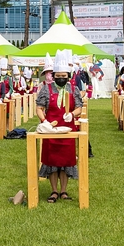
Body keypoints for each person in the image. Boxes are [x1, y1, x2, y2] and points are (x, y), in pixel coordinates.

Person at [36, 50, 83, 203]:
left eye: (64, 77)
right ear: (53, 75)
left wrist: (73, 114)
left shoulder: (73, 89)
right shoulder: (46, 89)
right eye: (58, 76)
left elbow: (79, 107)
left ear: (68, 76)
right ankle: (54, 191)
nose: (61, 79)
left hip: (68, 130)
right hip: (51, 130)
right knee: (52, 161)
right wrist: (44, 122)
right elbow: (39, 108)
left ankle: (64, 190)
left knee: (65, 161)